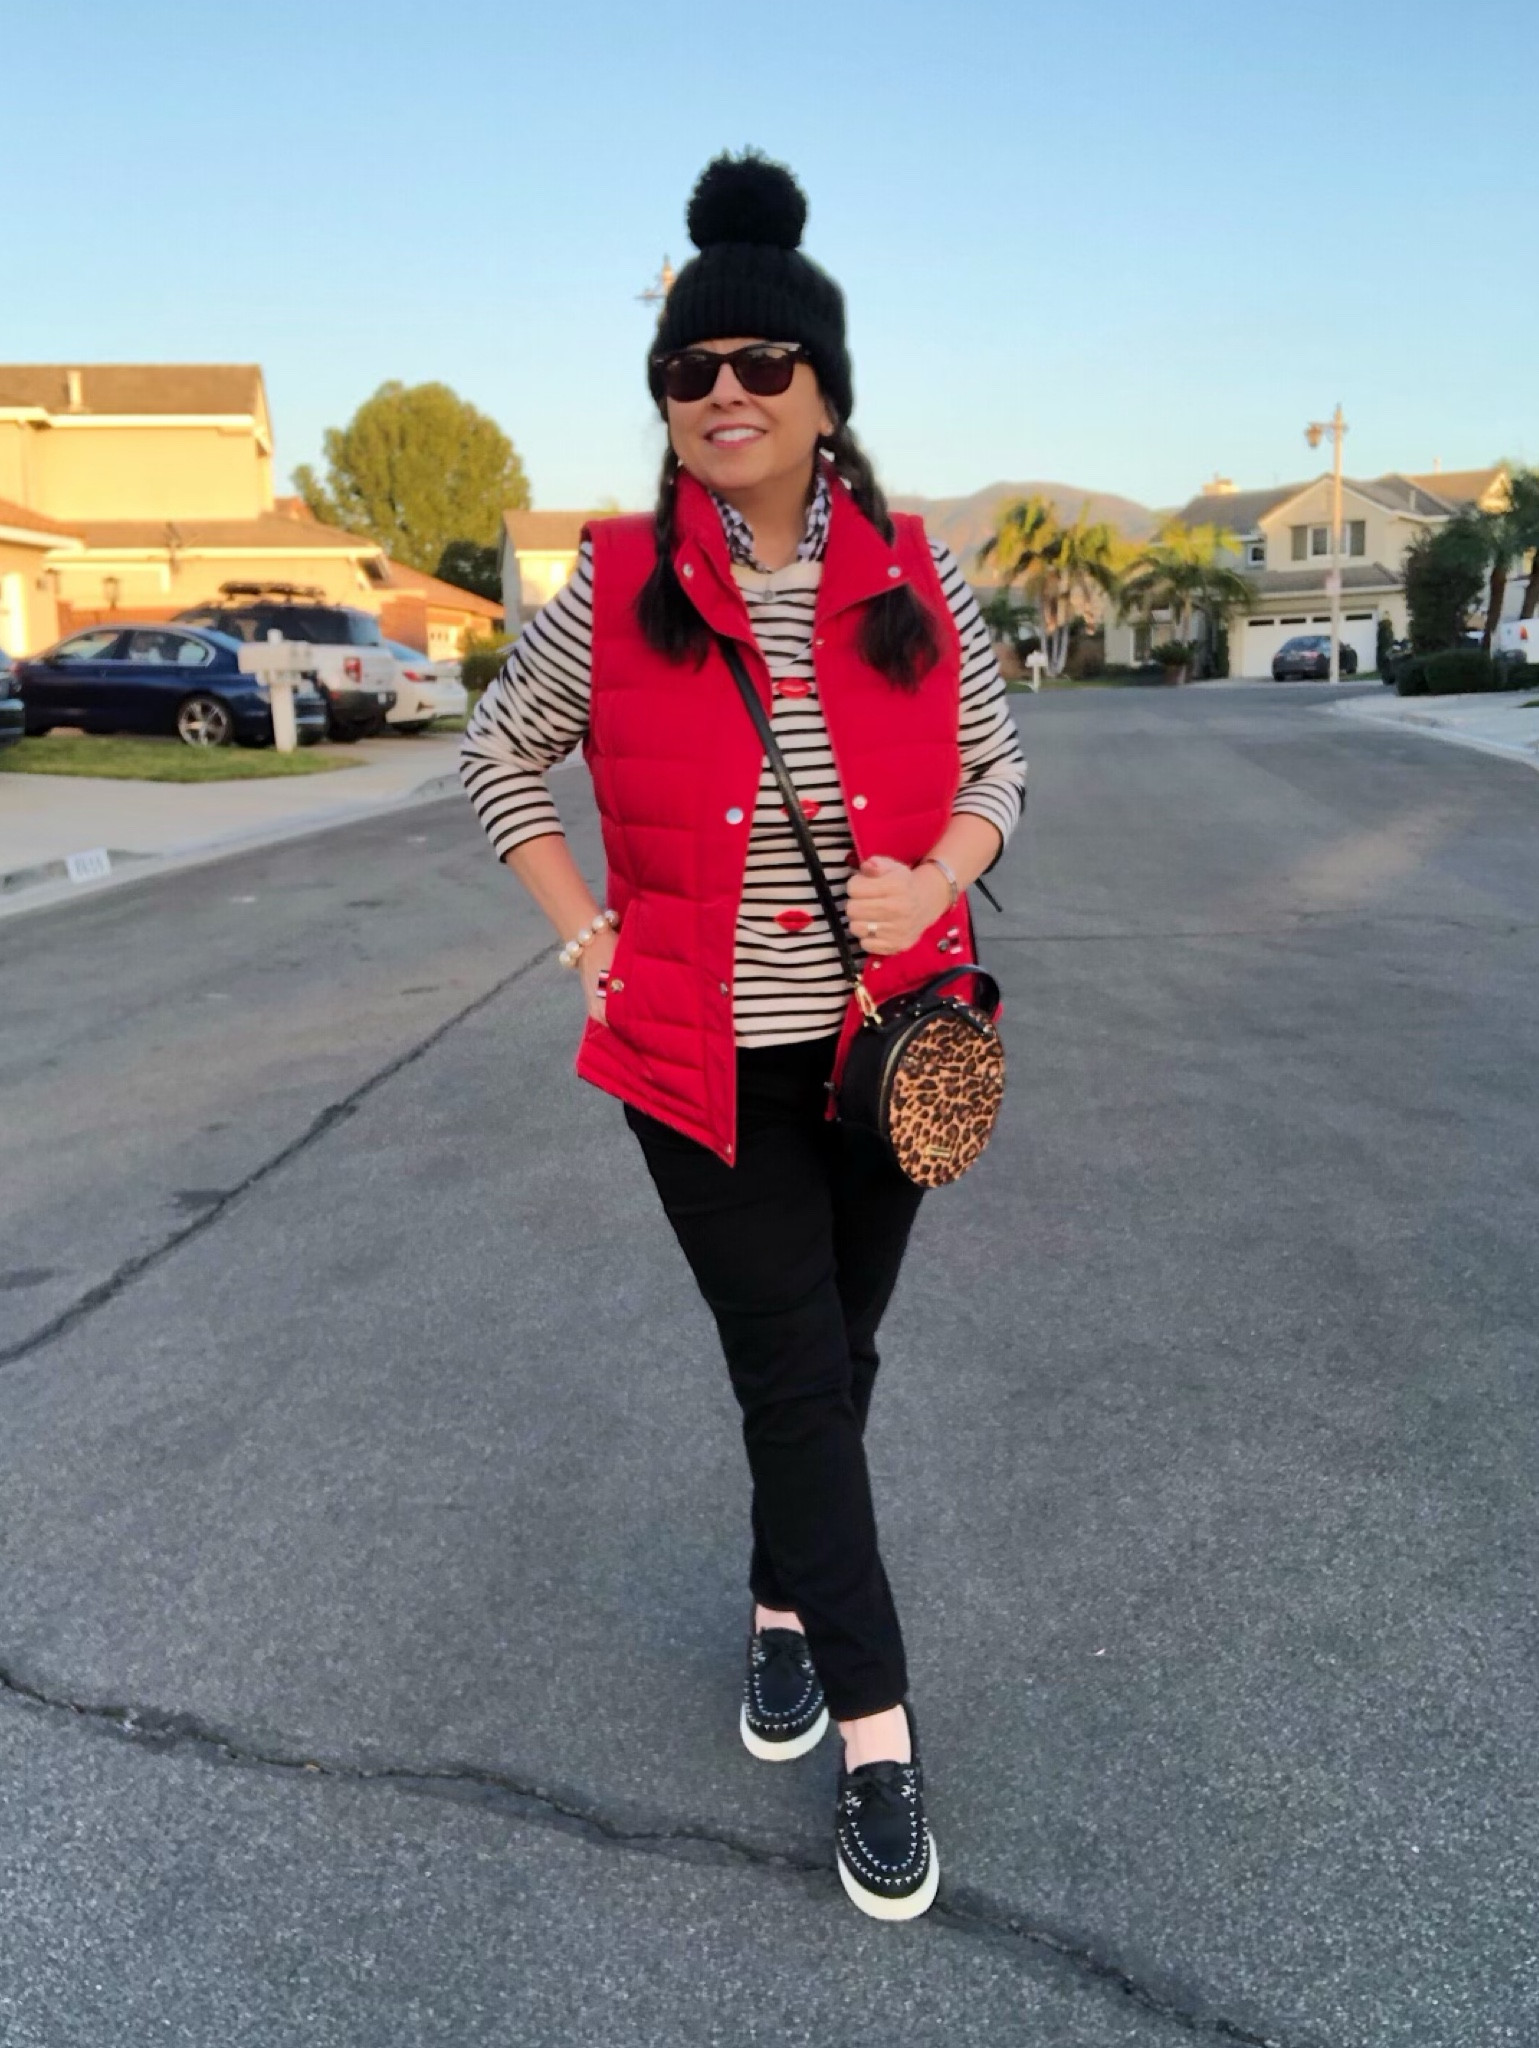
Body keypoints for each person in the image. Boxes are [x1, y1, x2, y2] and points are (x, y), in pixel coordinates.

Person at [460, 149, 1026, 1921]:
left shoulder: (917, 578)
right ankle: (875, 1732)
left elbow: (1003, 770)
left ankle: (783, 1607)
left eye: (758, 366)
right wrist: (583, 933)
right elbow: (496, 754)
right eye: (688, 371)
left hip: (889, 1044)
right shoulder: (617, 587)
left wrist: (935, 868)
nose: (721, 394)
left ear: (824, 394)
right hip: (694, 1073)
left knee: (836, 1367)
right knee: (795, 1375)